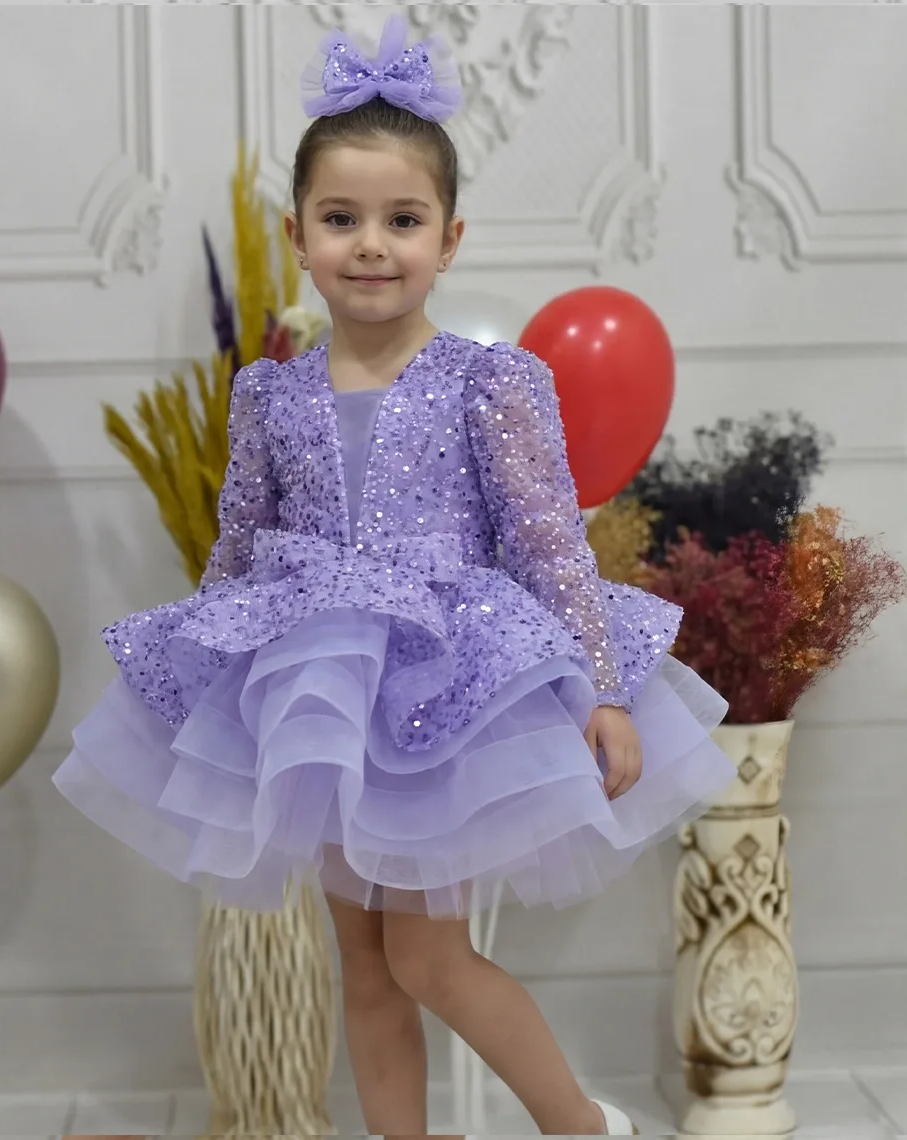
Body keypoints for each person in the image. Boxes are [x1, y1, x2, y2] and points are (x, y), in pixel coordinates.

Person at [54, 17, 736, 1137]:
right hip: (321, 691)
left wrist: (602, 689)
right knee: (365, 967)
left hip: (439, 685)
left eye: (402, 221)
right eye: (342, 219)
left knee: (427, 955)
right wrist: (198, 688)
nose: (371, 245)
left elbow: (547, 542)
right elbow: (239, 546)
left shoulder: (488, 382)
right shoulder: (270, 393)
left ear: (449, 238)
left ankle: (581, 1125)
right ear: (298, 235)